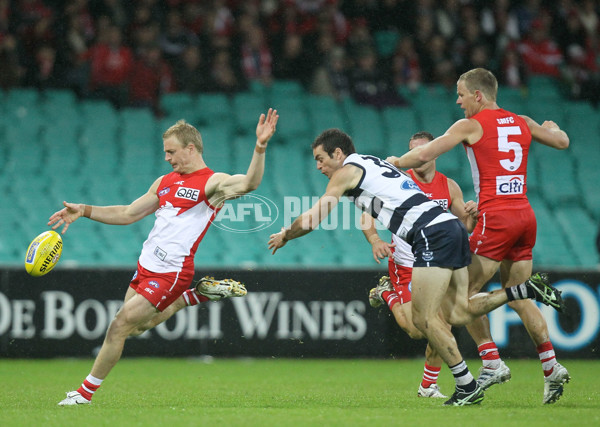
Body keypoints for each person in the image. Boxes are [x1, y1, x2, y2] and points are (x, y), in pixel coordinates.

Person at [268, 128, 564, 406]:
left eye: (320, 159)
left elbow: (311, 219)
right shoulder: (372, 162)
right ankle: (523, 289)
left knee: (423, 320)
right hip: (450, 227)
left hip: (429, 234)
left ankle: (466, 386)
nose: (318, 167)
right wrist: (373, 236)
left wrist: (285, 235)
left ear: (337, 154)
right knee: (458, 311)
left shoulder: (346, 172)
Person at [51, 108, 279, 406]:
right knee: (137, 328)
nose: (167, 158)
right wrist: (84, 209)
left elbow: (249, 183)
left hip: (171, 271)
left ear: (191, 148)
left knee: (118, 325)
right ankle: (194, 297)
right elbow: (128, 213)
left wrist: (260, 146)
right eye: (165, 152)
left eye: (171, 152)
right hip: (146, 266)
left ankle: (83, 395)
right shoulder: (165, 181)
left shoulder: (212, 183)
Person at [386, 67, 571, 404]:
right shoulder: (522, 121)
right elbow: (562, 141)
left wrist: (397, 161)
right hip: (525, 216)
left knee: (457, 298)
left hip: (496, 217)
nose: (458, 101)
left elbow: (427, 153)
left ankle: (491, 362)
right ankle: (551, 365)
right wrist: (552, 125)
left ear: (478, 95)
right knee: (518, 295)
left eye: (460, 94)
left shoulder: (470, 125)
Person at [363, 131, 478, 399]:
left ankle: (428, 386)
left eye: (421, 151)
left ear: (434, 152)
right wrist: (374, 240)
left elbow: (463, 226)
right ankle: (386, 292)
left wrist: (472, 215)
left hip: (437, 263)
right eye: (411, 152)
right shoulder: (397, 184)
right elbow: (367, 217)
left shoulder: (449, 186)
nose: (416, 158)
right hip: (405, 266)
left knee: (442, 326)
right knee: (416, 330)